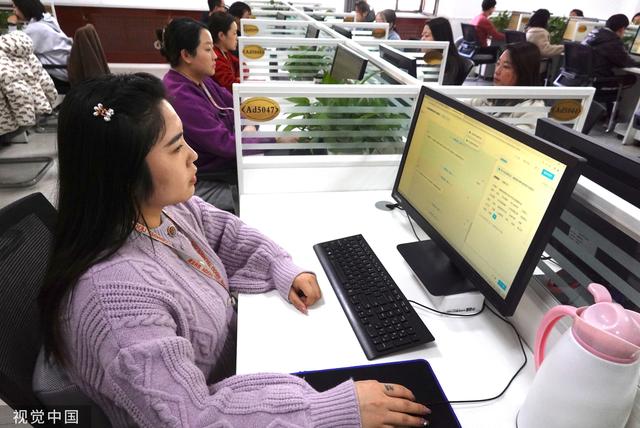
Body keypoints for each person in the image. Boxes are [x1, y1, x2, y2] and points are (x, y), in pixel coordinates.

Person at [35, 71, 432, 428]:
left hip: (238, 368)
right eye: (175, 147)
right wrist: (328, 411)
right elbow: (192, 419)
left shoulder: (163, 209)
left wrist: (280, 267)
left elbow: (225, 232)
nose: (192, 155)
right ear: (123, 171)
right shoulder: (118, 301)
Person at [157, 17, 261, 213]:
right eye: (207, 49)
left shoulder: (201, 80)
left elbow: (237, 106)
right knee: (261, 195)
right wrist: (272, 138)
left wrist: (248, 126)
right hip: (207, 180)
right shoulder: (180, 96)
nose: (215, 56)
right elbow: (227, 145)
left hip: (226, 167)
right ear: (186, 55)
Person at [470, 42, 545, 131]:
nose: (497, 71)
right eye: (498, 64)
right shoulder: (495, 95)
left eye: (506, 67)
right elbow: (468, 105)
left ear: (523, 72)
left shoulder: (533, 109)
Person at [10, 0, 72, 89]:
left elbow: (13, 48)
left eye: (15, 7)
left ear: (24, 8)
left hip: (59, 75)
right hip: (67, 69)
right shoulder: (48, 20)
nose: (14, 11)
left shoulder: (35, 29)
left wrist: (11, 24)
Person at [582, 14, 640, 79]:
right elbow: (626, 62)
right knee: (632, 78)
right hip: (597, 78)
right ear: (622, 29)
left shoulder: (594, 33)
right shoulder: (613, 41)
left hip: (582, 75)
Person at [421, 17, 468, 85]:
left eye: (426, 36)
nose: (422, 39)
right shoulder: (433, 58)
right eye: (422, 35)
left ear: (439, 38)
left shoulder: (447, 65)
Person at [208, 12, 245, 93]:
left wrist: (238, 78)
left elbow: (242, 66)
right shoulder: (216, 58)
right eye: (234, 33)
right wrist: (238, 79)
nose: (237, 38)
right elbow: (232, 86)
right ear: (221, 35)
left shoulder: (225, 53)